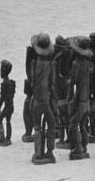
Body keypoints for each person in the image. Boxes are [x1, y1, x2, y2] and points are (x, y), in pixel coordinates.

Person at [31, 33, 56, 164]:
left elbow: (31, 82)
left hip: (37, 101)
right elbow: (52, 84)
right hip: (46, 101)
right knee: (51, 125)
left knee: (37, 128)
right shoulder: (50, 65)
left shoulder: (34, 63)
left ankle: (38, 152)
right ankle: (49, 151)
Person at [0, 60, 16, 147]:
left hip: (8, 107)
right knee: (8, 121)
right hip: (11, 106)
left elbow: (2, 98)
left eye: (1, 69)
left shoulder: (5, 84)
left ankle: (2, 136)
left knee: (0, 119)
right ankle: (8, 138)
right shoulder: (11, 83)